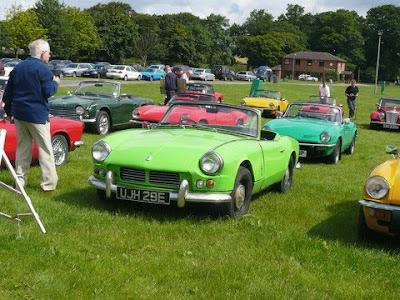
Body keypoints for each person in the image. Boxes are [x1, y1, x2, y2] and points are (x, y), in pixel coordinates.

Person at [3, 39, 60, 192]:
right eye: (48, 53)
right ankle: (48, 184)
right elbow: (48, 92)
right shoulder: (43, 70)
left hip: (19, 114)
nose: (49, 56)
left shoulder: (18, 68)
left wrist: (9, 112)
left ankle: (19, 183)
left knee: (22, 149)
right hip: (37, 115)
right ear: (42, 54)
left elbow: (8, 93)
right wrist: (55, 83)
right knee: (45, 149)